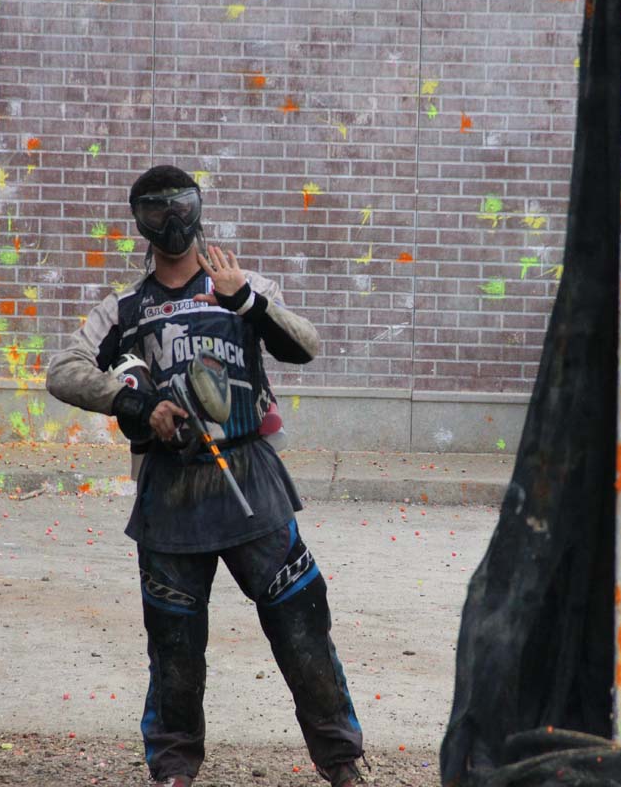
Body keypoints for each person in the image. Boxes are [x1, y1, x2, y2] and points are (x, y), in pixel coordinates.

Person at [46, 165, 364, 787]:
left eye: (181, 205)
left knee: (303, 627)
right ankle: (173, 771)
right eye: (156, 209)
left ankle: (342, 764)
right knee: (174, 649)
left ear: (198, 209)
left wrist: (248, 300)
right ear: (140, 222)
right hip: (171, 493)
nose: (172, 221)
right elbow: (63, 370)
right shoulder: (126, 309)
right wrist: (136, 403)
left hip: (253, 483)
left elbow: (305, 345)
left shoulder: (239, 285)